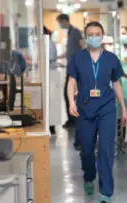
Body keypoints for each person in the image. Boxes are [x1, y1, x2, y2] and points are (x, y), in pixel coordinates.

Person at [67, 21, 127, 203]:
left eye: (97, 34)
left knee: (106, 149)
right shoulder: (77, 58)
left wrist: (123, 108)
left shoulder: (111, 59)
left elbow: (116, 84)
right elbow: (71, 81)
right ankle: (89, 176)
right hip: (85, 107)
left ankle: (106, 191)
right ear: (86, 37)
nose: (94, 37)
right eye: (90, 34)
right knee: (86, 149)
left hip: (107, 107)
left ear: (102, 36)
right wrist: (71, 101)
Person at [57, 13, 84, 148]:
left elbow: (82, 46)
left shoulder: (76, 32)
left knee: (73, 95)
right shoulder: (69, 33)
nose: (60, 25)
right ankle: (71, 119)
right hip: (71, 68)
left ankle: (74, 119)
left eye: (60, 22)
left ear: (64, 20)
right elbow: (69, 51)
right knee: (67, 95)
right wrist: (57, 57)